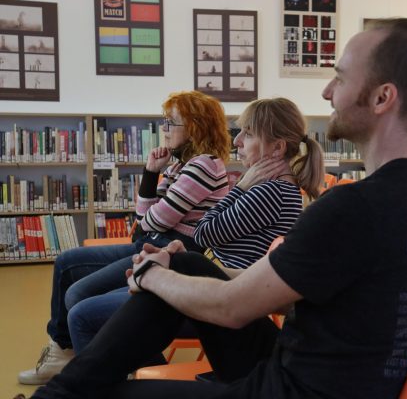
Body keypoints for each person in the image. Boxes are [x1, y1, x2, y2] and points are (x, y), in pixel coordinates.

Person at [31, 18, 407, 399]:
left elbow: (230, 308)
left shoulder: (353, 208)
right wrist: (171, 269)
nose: (326, 92)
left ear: (382, 97)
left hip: (293, 390)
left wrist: (151, 275)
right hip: (313, 370)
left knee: (98, 392)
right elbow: (299, 295)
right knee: (185, 262)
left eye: (339, 77)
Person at [65, 97, 324, 354]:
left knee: (82, 315)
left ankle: (135, 370)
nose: (236, 141)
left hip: (217, 300)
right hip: (213, 288)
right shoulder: (274, 189)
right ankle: (138, 368)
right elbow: (154, 222)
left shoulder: (269, 192)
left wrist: (241, 187)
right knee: (92, 305)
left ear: (277, 148)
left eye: (248, 134)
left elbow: (203, 233)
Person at [18, 90, 232, 385]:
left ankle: (133, 370)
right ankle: (63, 352)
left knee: (77, 295)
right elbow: (143, 217)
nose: (164, 129)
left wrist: (148, 217)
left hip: (170, 253)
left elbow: (154, 219)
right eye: (164, 121)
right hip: (152, 243)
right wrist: (150, 172)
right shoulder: (179, 165)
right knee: (67, 263)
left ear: (195, 127)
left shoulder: (204, 165)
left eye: (171, 122)